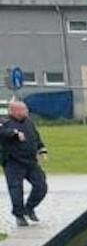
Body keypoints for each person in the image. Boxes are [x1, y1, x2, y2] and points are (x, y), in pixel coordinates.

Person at [0, 96, 48, 227]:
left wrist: (42, 149)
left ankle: (29, 208)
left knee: (41, 186)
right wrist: (14, 133)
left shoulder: (28, 122)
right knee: (16, 189)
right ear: (14, 111)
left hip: (30, 161)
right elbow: (2, 132)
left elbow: (35, 137)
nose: (27, 111)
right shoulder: (4, 121)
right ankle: (19, 215)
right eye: (24, 109)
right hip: (13, 162)